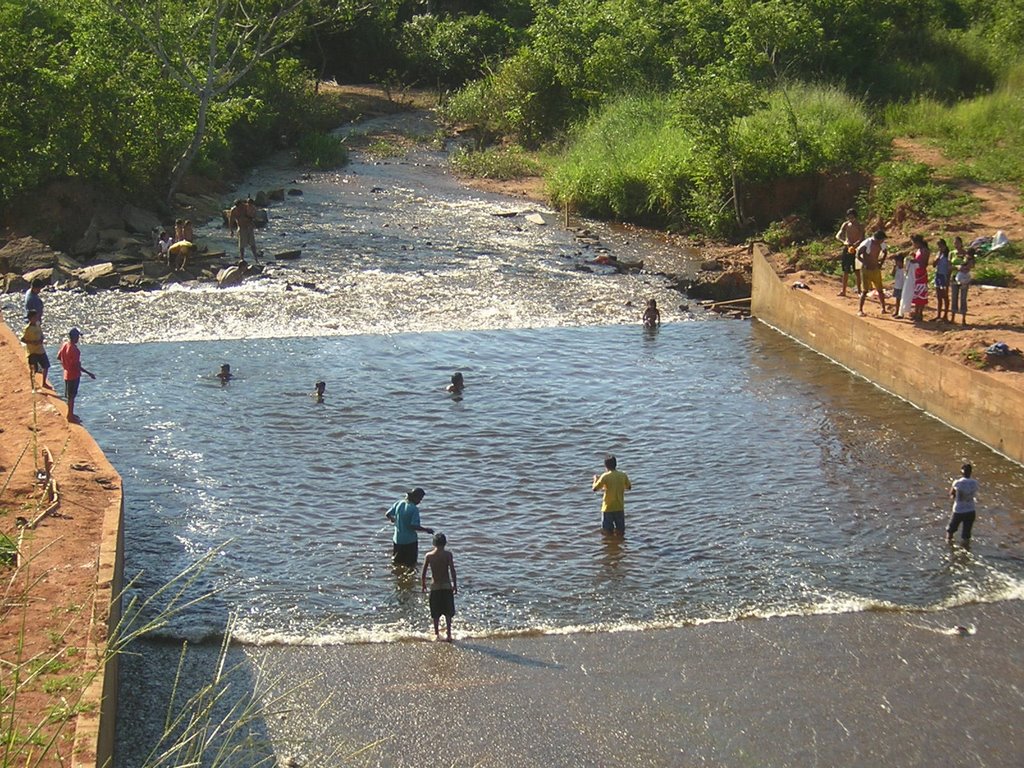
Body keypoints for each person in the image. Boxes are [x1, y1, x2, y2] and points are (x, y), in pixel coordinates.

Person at [421, 532, 458, 642]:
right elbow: (452, 570)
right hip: (446, 585)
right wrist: (455, 584)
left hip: (435, 586)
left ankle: (437, 634)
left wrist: (423, 584)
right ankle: (449, 634)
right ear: (445, 543)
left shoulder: (429, 556)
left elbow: (423, 572)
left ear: (433, 543)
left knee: (435, 613)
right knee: (448, 612)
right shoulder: (448, 555)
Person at [385, 488, 434, 568]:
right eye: (420, 499)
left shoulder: (399, 503)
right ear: (415, 497)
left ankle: (397, 576)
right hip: (410, 541)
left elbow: (387, 514)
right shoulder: (414, 509)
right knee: (411, 565)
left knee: (397, 562)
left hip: (397, 539)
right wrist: (426, 530)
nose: (420, 501)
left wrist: (393, 519)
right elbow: (413, 526)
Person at [56, 328, 95, 423]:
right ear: (74, 337)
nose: (78, 339)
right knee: (72, 396)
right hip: (73, 375)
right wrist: (89, 373)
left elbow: (58, 357)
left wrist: (65, 365)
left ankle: (70, 414)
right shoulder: (75, 350)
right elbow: (76, 365)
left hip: (66, 373)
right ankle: (70, 416)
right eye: (77, 337)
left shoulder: (65, 345)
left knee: (69, 396)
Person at [592, 455, 632, 536]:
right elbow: (629, 487)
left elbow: (595, 489)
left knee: (607, 532)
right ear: (615, 464)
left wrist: (595, 480)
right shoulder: (623, 475)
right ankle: (620, 544)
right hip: (619, 507)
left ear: (606, 466)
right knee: (621, 531)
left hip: (608, 508)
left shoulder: (605, 476)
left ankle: (610, 545)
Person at [856, 230, 888, 317]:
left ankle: (883, 308)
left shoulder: (881, 244)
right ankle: (860, 309)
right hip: (866, 269)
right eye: (882, 240)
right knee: (865, 291)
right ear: (878, 239)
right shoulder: (867, 243)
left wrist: (880, 263)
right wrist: (866, 263)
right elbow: (858, 255)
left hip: (875, 269)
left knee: (880, 290)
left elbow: (885, 252)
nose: (882, 242)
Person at [835, 208, 865, 297]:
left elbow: (862, 237)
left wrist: (856, 244)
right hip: (847, 248)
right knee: (845, 270)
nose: (850, 218)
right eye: (849, 216)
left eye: (852, 216)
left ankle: (859, 291)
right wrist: (844, 241)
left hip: (856, 249)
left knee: (857, 270)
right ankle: (843, 291)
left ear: (855, 216)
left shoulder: (859, 225)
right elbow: (838, 235)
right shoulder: (846, 224)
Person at [946, 463, 979, 544]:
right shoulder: (975, 483)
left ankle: (949, 545)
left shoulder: (957, 483)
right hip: (971, 510)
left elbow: (952, 494)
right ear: (971, 472)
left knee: (950, 531)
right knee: (966, 535)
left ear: (962, 471)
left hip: (958, 510)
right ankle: (966, 548)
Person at [21, 309, 51, 391]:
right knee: (33, 369)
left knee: (46, 366)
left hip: (40, 350)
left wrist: (41, 339)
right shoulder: (27, 329)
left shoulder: (38, 325)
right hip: (32, 351)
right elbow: (23, 339)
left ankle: (44, 382)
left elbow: (41, 335)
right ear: (31, 318)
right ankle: (33, 387)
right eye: (35, 317)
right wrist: (32, 342)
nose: (37, 318)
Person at [228, 197, 261, 263]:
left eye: (241, 206)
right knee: (242, 245)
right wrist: (231, 230)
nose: (240, 208)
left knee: (252, 244)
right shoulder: (233, 210)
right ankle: (242, 259)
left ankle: (256, 259)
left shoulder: (247, 206)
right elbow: (231, 220)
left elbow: (254, 213)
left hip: (249, 227)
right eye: (238, 207)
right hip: (241, 227)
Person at [909, 234, 931, 322]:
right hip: (917, 274)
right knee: (917, 295)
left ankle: (920, 313)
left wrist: (915, 261)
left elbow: (923, 263)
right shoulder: (919, 250)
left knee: (921, 295)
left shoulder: (925, 251)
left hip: (921, 274)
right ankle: (916, 312)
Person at [933, 238, 951, 321]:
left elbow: (949, 267)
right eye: (938, 246)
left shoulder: (948, 255)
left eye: (941, 246)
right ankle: (938, 315)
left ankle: (945, 315)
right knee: (939, 296)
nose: (940, 248)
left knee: (945, 296)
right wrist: (937, 259)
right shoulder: (938, 254)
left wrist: (948, 279)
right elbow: (933, 264)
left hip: (944, 276)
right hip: (938, 275)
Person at [953, 257, 972, 326]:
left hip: (964, 279)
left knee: (963, 299)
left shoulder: (966, 257)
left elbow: (971, 266)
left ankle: (963, 319)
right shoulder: (953, 254)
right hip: (957, 278)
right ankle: (953, 318)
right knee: (955, 298)